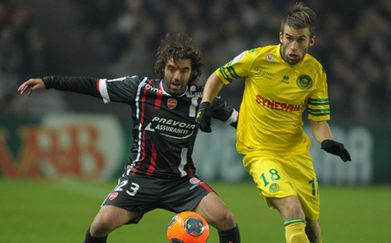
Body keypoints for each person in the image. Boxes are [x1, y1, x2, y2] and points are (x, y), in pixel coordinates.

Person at [18, 33, 241, 243]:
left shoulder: (201, 97)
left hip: (179, 181)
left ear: (192, 72)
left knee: (226, 219)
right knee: (100, 225)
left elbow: (239, 121)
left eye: (184, 70)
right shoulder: (139, 88)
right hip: (140, 178)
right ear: (162, 67)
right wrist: (49, 81)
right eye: (172, 68)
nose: (176, 76)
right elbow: (93, 86)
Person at [196, 3, 351, 243]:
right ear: (281, 36)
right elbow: (218, 75)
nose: (293, 46)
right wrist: (206, 102)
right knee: (292, 210)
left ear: (311, 41)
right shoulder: (257, 58)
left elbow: (319, 122)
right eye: (289, 38)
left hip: (295, 154)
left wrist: (328, 141)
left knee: (310, 222)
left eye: (300, 40)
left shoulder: (315, 73)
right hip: (259, 151)